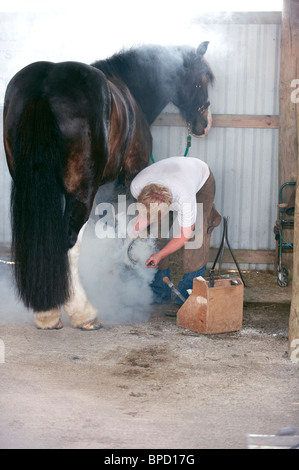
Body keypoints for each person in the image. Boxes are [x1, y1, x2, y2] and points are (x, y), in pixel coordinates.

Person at [130, 156, 221, 308]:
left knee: (195, 240)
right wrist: (130, 240)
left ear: (169, 206)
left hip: (200, 179)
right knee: (156, 235)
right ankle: (160, 292)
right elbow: (142, 218)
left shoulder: (184, 199)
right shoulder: (137, 186)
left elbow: (184, 235)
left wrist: (159, 255)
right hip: (172, 175)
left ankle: (186, 296)